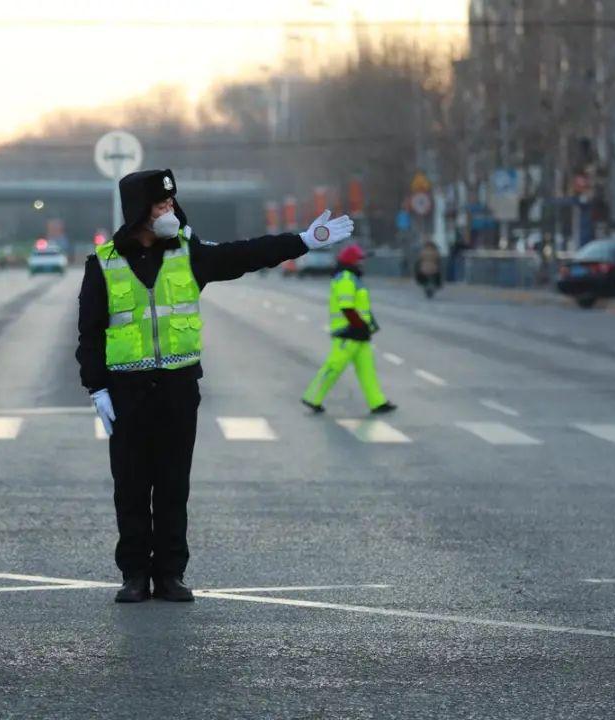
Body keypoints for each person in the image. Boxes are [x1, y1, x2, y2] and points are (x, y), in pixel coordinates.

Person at [77, 169, 353, 603]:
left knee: (173, 487)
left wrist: (304, 239)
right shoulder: (104, 262)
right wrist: (97, 388)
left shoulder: (190, 254)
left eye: (171, 202)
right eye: (159, 204)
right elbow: (89, 333)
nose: (169, 209)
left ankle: (170, 574)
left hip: (178, 389)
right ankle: (134, 575)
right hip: (127, 393)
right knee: (130, 487)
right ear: (137, 212)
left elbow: (246, 254)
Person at [301, 243, 396, 415]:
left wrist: (368, 326)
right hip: (348, 332)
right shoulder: (346, 278)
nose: (362, 263)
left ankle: (377, 402)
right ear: (352, 261)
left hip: (359, 332)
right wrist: (359, 326)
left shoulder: (351, 277)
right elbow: (347, 307)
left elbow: (360, 307)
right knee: (334, 366)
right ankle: (312, 397)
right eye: (359, 259)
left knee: (367, 370)